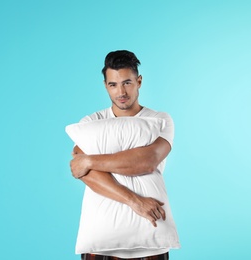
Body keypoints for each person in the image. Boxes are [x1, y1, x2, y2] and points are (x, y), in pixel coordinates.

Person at [70, 50, 179, 260]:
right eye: (113, 85)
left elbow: (147, 161)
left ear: (139, 81)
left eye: (127, 82)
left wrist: (91, 160)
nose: (121, 91)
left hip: (151, 234)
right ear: (105, 86)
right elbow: (81, 171)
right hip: (101, 240)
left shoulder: (160, 120)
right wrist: (135, 202)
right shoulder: (90, 124)